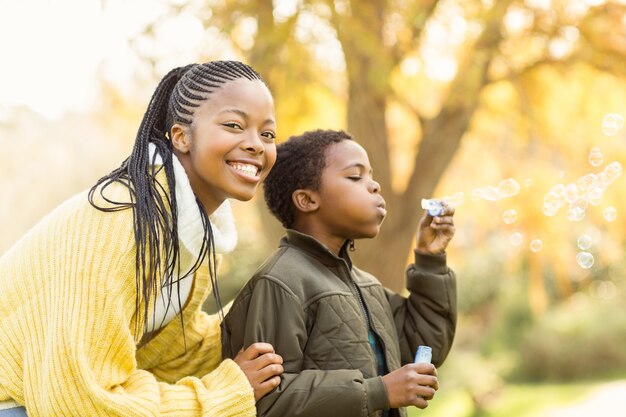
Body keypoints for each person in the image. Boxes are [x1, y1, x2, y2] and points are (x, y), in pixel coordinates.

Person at [0, 60, 285, 417]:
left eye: (268, 134)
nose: (256, 144)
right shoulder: (121, 219)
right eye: (234, 125)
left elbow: (169, 353)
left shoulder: (189, 235)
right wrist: (227, 392)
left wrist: (279, 302)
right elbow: (83, 401)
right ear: (181, 136)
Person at [222, 129, 458, 417]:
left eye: (371, 176)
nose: (374, 186)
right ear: (307, 200)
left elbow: (424, 344)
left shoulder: (366, 284)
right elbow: (266, 401)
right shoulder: (281, 282)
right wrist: (378, 391)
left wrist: (430, 260)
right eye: (356, 177)